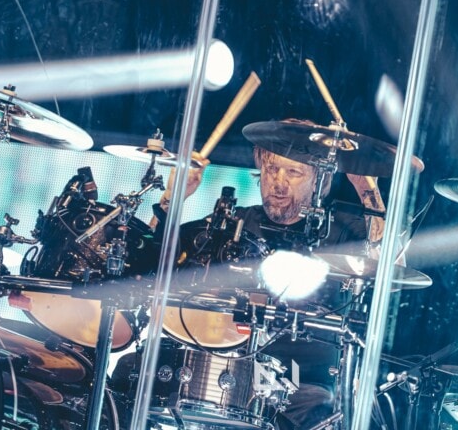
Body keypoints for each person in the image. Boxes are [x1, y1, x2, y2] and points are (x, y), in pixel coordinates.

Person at [113, 120, 389, 429]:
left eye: (293, 172)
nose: (278, 183)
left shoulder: (341, 231)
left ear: (318, 180)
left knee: (321, 412)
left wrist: (367, 190)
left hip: (299, 381)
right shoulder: (236, 223)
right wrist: (173, 197)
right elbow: (152, 259)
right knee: (128, 372)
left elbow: (390, 270)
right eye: (271, 169)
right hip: (223, 367)